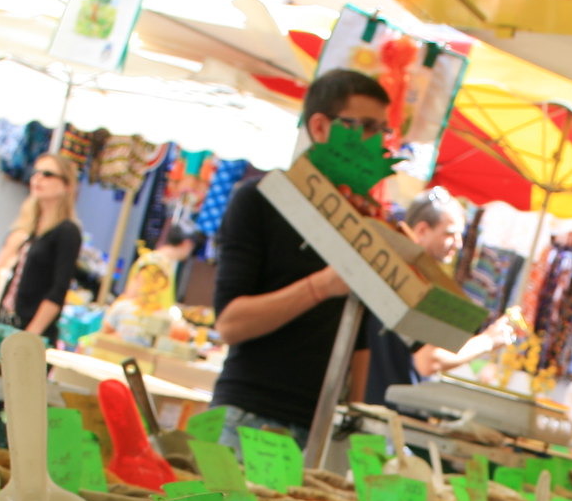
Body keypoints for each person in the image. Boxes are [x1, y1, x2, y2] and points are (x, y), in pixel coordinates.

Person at [208, 69, 391, 453]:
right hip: (252, 417)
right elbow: (230, 323)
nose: (378, 144)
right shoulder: (259, 199)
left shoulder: (363, 221)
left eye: (383, 131)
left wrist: (355, 423)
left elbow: (358, 334)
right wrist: (322, 285)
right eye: (367, 128)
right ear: (321, 127)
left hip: (324, 432)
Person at [363, 191, 520, 407]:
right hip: (385, 413)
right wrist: (487, 341)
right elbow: (429, 360)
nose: (458, 243)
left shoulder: (401, 272)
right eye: (450, 234)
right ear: (422, 230)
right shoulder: (411, 281)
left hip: (378, 409)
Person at [0, 155, 84, 343]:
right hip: (7, 321)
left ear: (66, 185)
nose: (38, 179)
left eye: (48, 174)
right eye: (35, 173)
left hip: (32, 331)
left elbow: (58, 290)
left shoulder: (67, 231)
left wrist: (30, 336)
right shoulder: (30, 226)